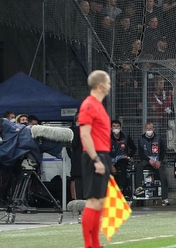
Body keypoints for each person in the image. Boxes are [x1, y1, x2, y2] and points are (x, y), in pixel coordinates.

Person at [78, 70, 112, 248]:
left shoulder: (98, 105)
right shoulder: (89, 105)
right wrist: (96, 159)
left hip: (102, 153)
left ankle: (95, 243)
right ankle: (89, 244)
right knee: (93, 200)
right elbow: (85, 135)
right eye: (108, 83)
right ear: (101, 85)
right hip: (95, 154)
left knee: (99, 200)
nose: (110, 86)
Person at [135, 121, 169, 205]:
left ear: (153, 129)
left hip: (157, 160)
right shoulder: (141, 139)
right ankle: (139, 188)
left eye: (150, 129)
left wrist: (159, 161)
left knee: (163, 175)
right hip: (146, 160)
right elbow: (141, 153)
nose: (149, 130)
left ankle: (164, 198)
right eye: (147, 129)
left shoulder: (159, 138)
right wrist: (149, 160)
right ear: (145, 129)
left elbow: (163, 151)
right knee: (139, 166)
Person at [109, 119, 133, 198]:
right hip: (111, 160)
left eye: (118, 126)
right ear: (111, 128)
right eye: (114, 126)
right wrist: (111, 165)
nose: (116, 128)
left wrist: (128, 156)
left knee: (123, 166)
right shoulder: (107, 138)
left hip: (122, 159)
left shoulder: (126, 137)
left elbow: (134, 148)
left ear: (120, 127)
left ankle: (124, 191)